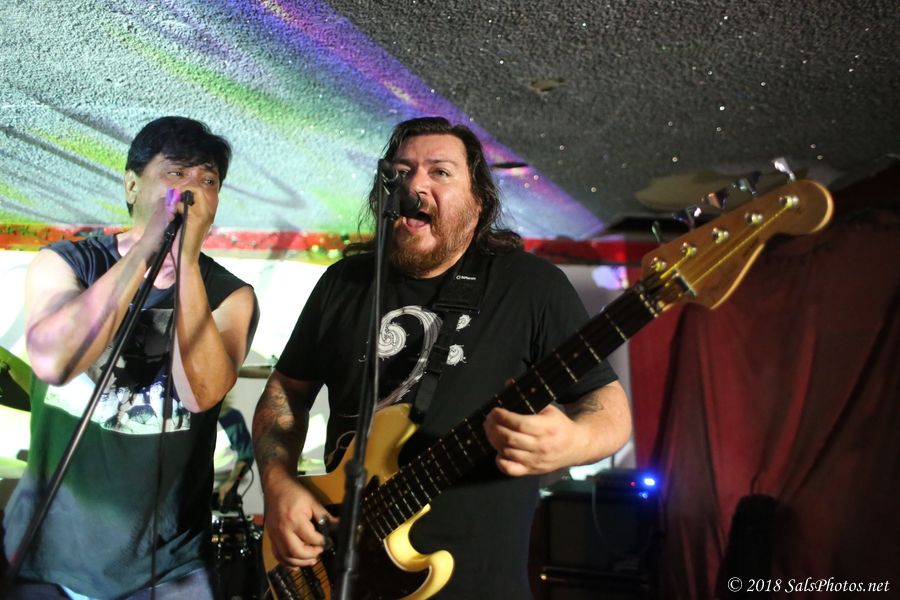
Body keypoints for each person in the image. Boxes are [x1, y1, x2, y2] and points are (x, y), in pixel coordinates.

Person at [253, 116, 632, 598]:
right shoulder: (343, 283)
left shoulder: (532, 286)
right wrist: (278, 483)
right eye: (401, 172)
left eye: (440, 171)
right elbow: (286, 391)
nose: (415, 186)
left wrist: (573, 441)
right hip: (337, 569)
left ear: (479, 202)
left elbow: (608, 408)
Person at [2, 116, 259, 599]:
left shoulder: (230, 296)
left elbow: (201, 393)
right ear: (132, 184)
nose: (191, 191)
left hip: (169, 568)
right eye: (175, 173)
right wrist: (145, 251)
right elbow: (55, 361)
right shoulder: (67, 263)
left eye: (207, 180)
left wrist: (184, 261)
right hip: (45, 559)